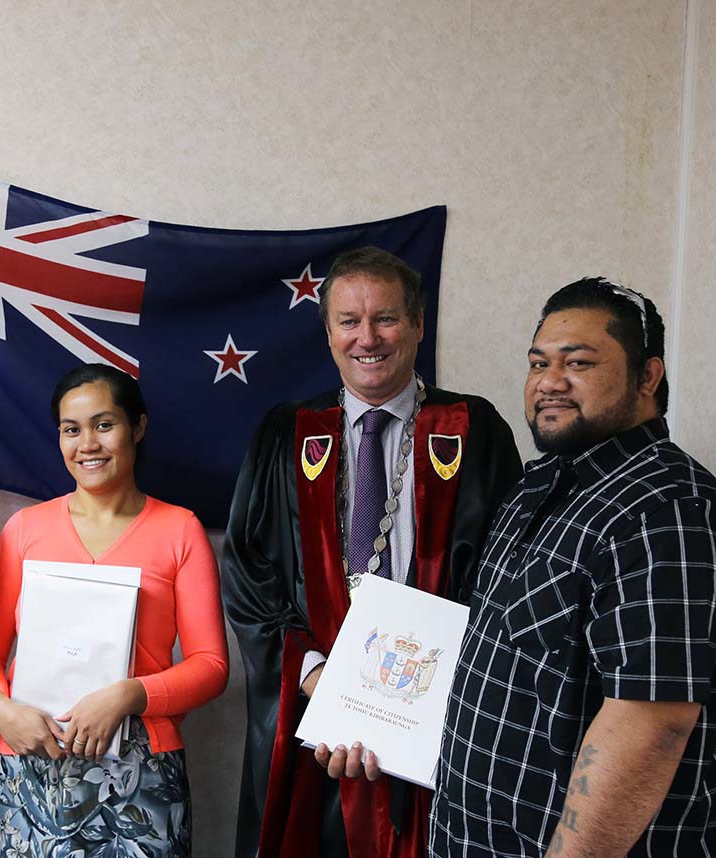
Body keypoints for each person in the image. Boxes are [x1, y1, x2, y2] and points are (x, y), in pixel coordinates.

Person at [429, 278, 716, 857]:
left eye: (578, 362)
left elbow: (650, 725)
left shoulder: (669, 508)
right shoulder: (537, 485)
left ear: (647, 377)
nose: (549, 382)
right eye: (538, 363)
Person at [222, 246, 522, 858]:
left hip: (435, 721)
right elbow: (248, 569)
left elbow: (506, 570)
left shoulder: (474, 428)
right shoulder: (288, 433)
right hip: (311, 720)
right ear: (328, 331)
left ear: (416, 324)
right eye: (348, 322)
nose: (367, 338)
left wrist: (434, 690)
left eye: (384, 318)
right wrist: (314, 675)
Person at [0, 363, 229, 857]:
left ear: (138, 427)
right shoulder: (24, 530)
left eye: (103, 425)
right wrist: (1, 711)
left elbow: (212, 666)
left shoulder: (180, 530)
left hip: (143, 774)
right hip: (31, 766)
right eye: (72, 430)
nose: (86, 443)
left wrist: (131, 695)